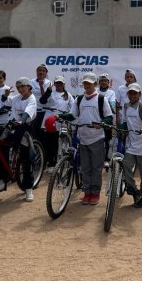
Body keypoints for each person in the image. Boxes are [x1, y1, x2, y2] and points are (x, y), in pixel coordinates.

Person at [55, 72, 113, 205]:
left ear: (95, 84)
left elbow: (109, 117)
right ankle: (87, 192)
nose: (87, 85)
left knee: (96, 168)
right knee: (85, 167)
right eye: (85, 83)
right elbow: (72, 115)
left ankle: (95, 193)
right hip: (83, 138)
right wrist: (61, 116)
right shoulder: (79, 99)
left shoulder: (101, 99)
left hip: (97, 138)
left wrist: (102, 123)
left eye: (89, 83)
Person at [1, 77, 37, 201]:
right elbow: (6, 101)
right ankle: (2, 178)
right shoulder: (16, 98)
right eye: (19, 87)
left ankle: (28, 189)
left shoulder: (32, 99)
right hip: (14, 125)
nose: (21, 89)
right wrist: (5, 95)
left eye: (23, 87)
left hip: (26, 127)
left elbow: (27, 113)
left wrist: (21, 121)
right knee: (1, 147)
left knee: (26, 158)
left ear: (29, 87)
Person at [120, 83, 142, 208]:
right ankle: (133, 189)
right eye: (130, 93)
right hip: (132, 143)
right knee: (126, 164)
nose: (133, 95)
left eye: (135, 93)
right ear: (128, 94)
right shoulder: (125, 106)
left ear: (139, 94)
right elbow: (124, 123)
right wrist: (118, 128)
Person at [40, 75, 73, 172]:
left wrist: (67, 116)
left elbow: (72, 109)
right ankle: (51, 163)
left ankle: (60, 162)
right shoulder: (51, 93)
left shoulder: (68, 95)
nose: (58, 85)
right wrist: (48, 91)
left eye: (60, 83)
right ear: (54, 84)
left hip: (61, 120)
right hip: (50, 120)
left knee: (60, 142)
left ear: (64, 84)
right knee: (50, 142)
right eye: (57, 83)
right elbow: (42, 101)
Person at [30, 64, 52, 145]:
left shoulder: (49, 83)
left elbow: (44, 99)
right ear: (36, 71)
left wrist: (41, 86)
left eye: (43, 71)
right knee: (32, 134)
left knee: (42, 135)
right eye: (39, 70)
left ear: (46, 73)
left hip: (44, 112)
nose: (41, 72)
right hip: (33, 112)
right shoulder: (31, 82)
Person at [98, 73, 117, 161]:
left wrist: (110, 106)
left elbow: (113, 104)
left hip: (108, 118)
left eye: (105, 81)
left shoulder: (111, 92)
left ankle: (106, 158)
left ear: (108, 82)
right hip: (97, 118)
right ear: (99, 82)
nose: (103, 82)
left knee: (107, 139)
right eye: (101, 81)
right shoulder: (96, 91)